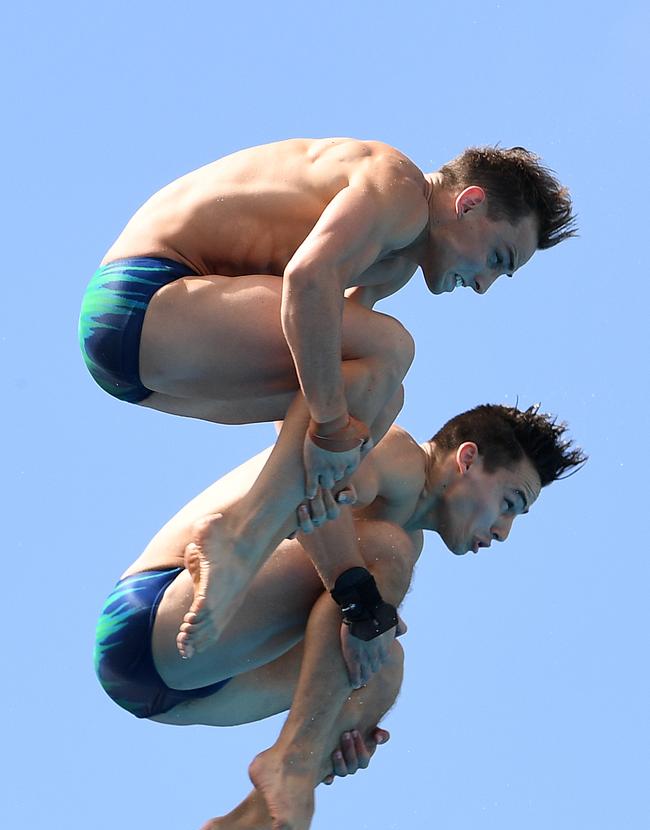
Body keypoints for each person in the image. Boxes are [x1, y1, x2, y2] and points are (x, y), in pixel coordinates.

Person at [93, 401, 585, 830]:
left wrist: (339, 723)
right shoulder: (394, 453)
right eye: (510, 503)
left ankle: (249, 826)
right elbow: (309, 504)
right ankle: (291, 763)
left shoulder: (409, 539)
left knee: (382, 668)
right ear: (467, 459)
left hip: (181, 688)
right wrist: (314, 736)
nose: (506, 531)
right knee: (381, 565)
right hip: (156, 614)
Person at [79, 138, 577, 653]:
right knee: (390, 350)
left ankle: (251, 541)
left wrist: (329, 491)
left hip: (145, 364)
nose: (484, 286)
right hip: (143, 298)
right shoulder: (399, 190)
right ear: (468, 202)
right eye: (496, 257)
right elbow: (309, 280)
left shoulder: (395, 263)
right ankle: (240, 539)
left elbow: (322, 376)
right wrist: (331, 430)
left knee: (381, 392)